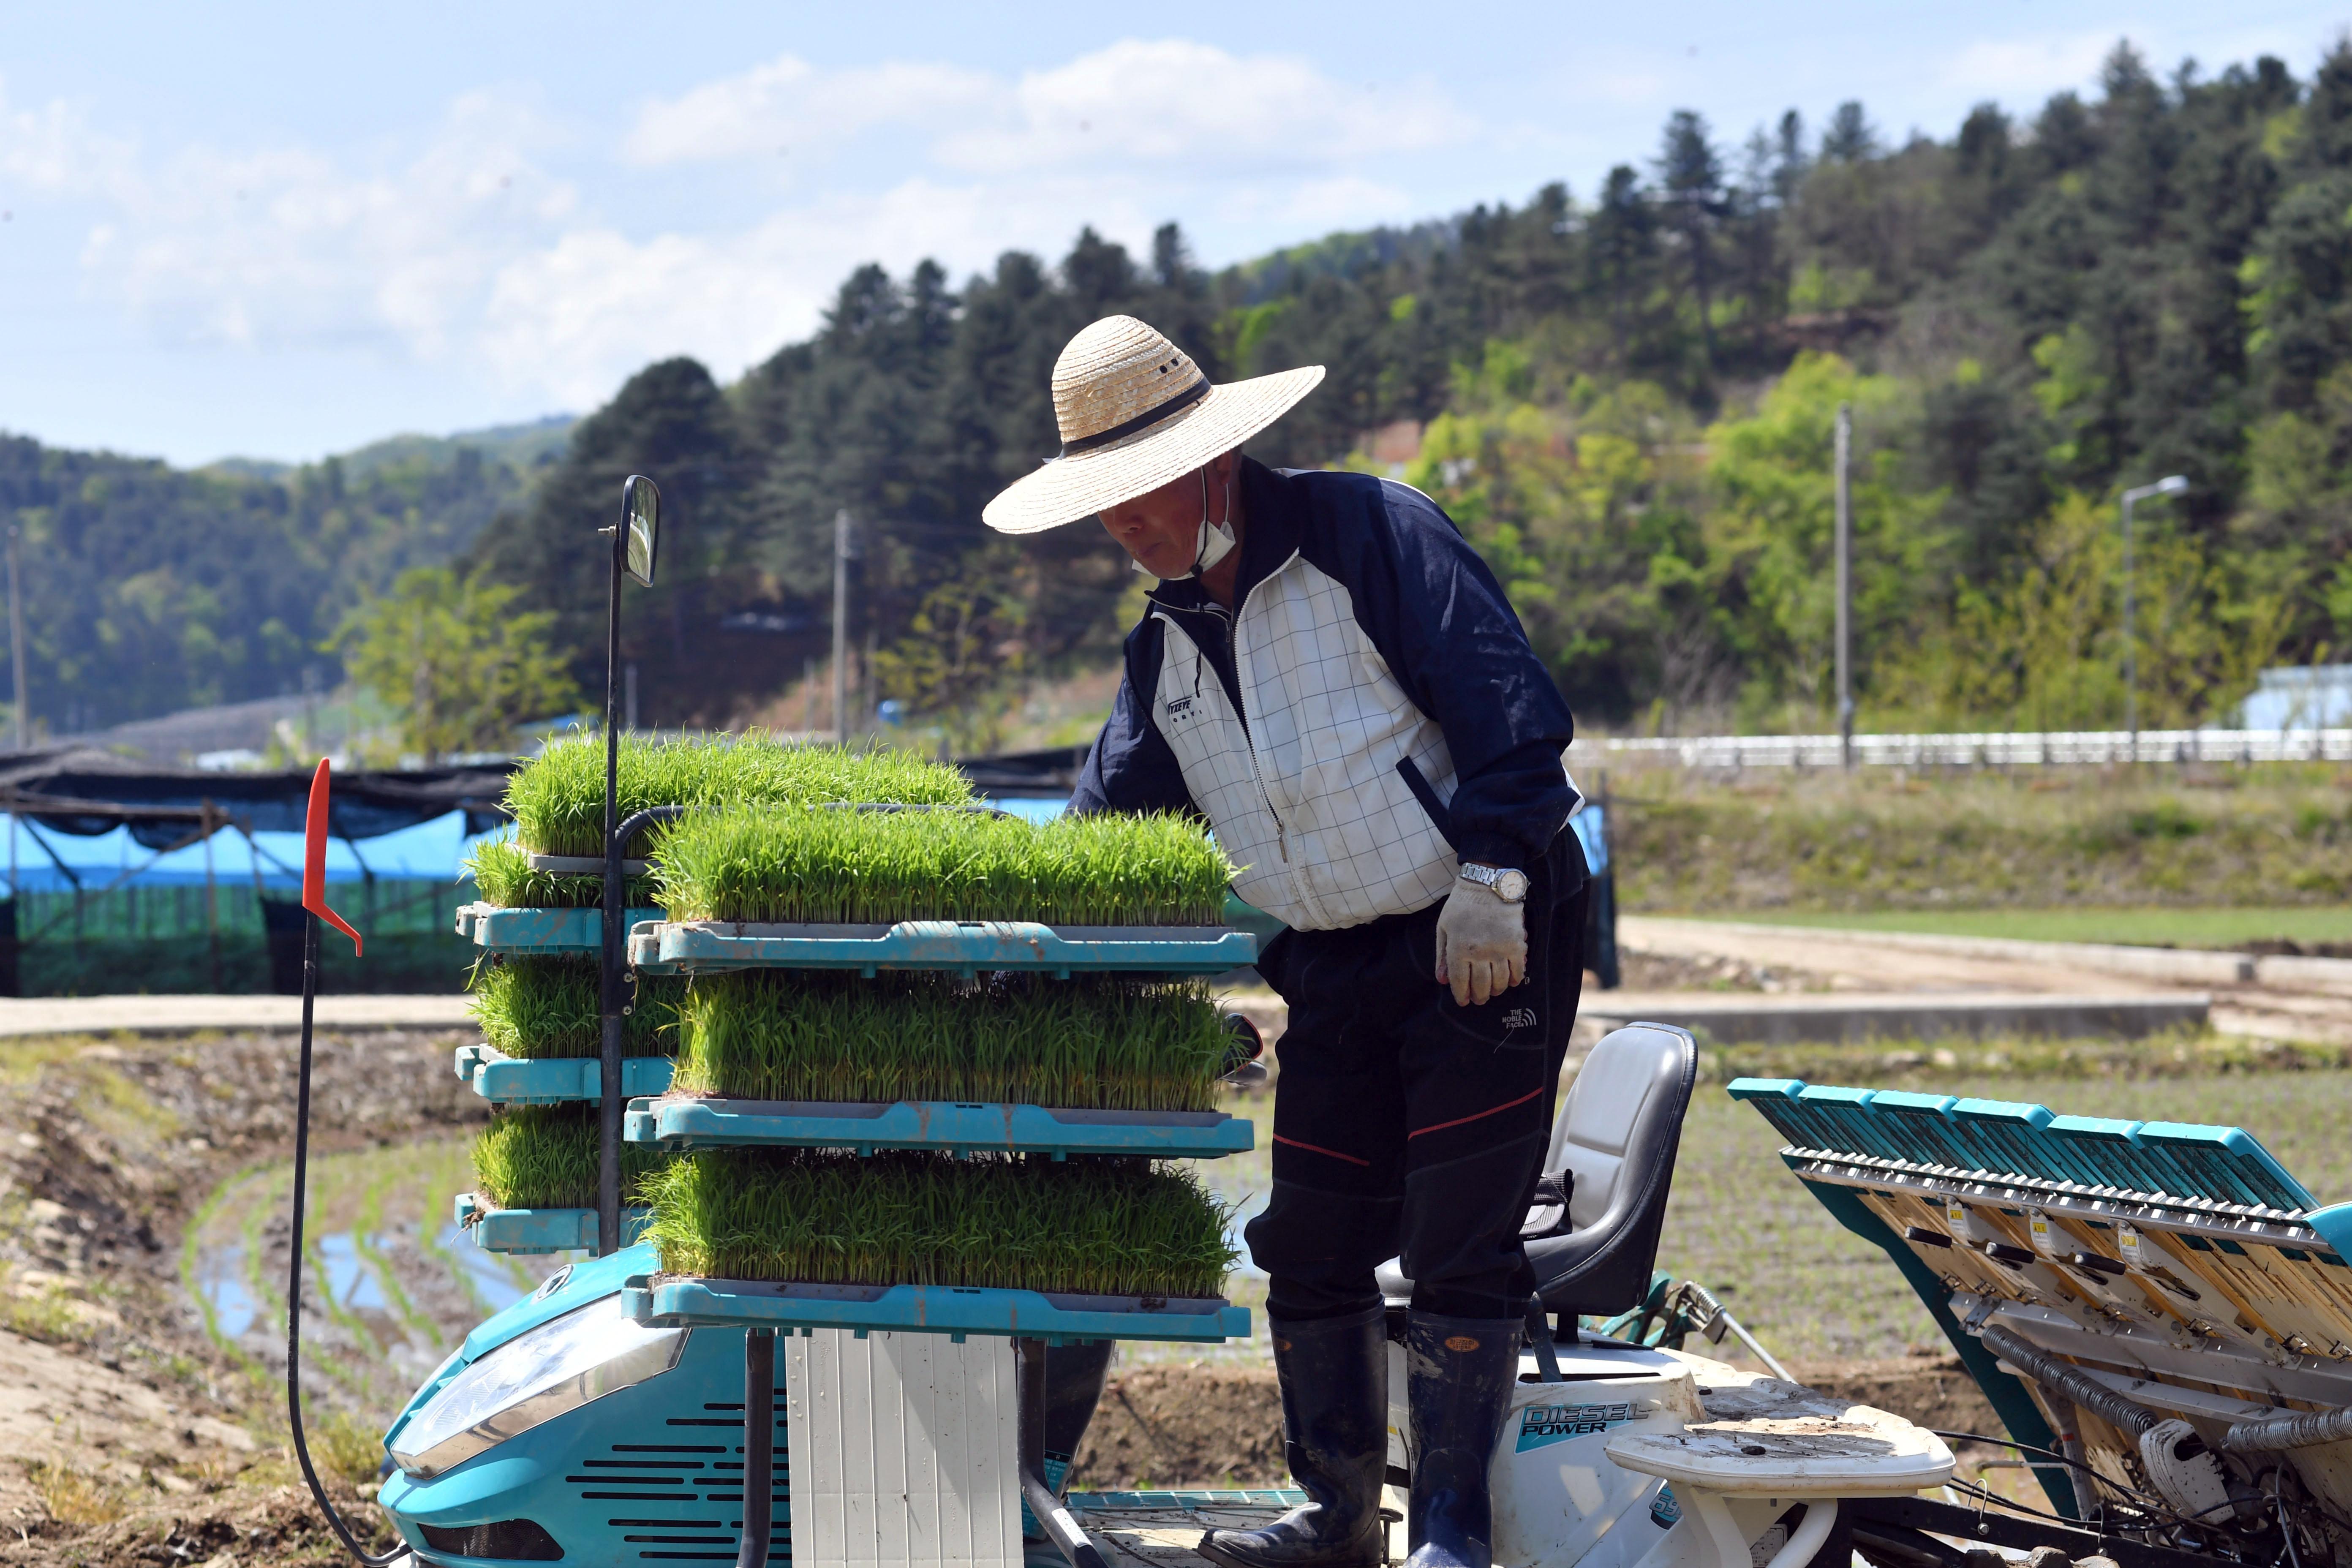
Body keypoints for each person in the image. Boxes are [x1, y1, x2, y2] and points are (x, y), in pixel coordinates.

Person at [984, 316, 1587, 1568]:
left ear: (1209, 464)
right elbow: (1109, 841)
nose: (1120, 526)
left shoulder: (1373, 534)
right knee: (1310, 1240)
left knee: (1455, 1244)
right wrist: (1045, 960)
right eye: (1099, 505)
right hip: (1336, 965)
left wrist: (1491, 877)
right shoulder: (1166, 648)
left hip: (1478, 937)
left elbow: (1512, 715)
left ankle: (1456, 1531)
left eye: (1133, 495)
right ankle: (1339, 1521)